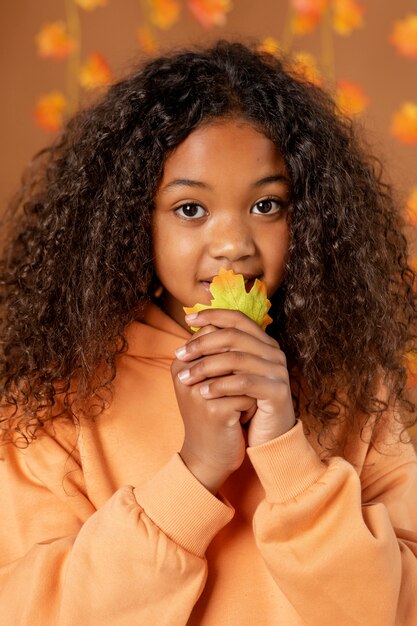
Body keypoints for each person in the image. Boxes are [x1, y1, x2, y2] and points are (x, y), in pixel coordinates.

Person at [0, 39, 416, 625]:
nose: (233, 244)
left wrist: (287, 454)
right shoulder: (52, 402)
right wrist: (194, 472)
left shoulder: (358, 385)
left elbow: (395, 611)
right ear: (128, 220)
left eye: (268, 205)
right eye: (190, 209)